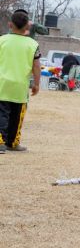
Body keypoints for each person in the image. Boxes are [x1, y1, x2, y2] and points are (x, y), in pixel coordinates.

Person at [0, 9, 41, 153]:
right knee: (17, 116)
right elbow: (36, 65)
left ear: (10, 25)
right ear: (27, 26)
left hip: (2, 84)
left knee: (1, 114)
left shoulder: (2, 40)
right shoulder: (33, 44)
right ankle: (13, 142)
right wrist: (36, 83)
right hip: (20, 86)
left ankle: (0, 142)